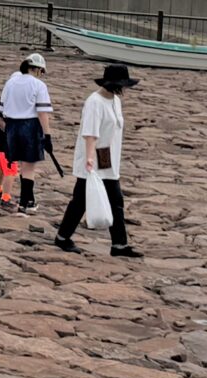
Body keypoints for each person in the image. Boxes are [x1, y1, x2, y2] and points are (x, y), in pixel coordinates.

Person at [55, 63, 142, 257]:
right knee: (80, 201)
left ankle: (119, 245)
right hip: (94, 158)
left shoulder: (115, 101)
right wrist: (89, 158)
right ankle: (62, 237)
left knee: (115, 200)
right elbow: (90, 132)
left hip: (108, 159)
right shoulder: (94, 102)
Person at [0, 52, 53, 213]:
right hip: (30, 125)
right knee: (29, 168)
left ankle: (27, 200)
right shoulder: (38, 85)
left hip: (12, 126)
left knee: (21, 165)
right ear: (37, 69)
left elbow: (1, 108)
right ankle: (25, 203)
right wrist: (47, 135)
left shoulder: (11, 82)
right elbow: (42, 112)